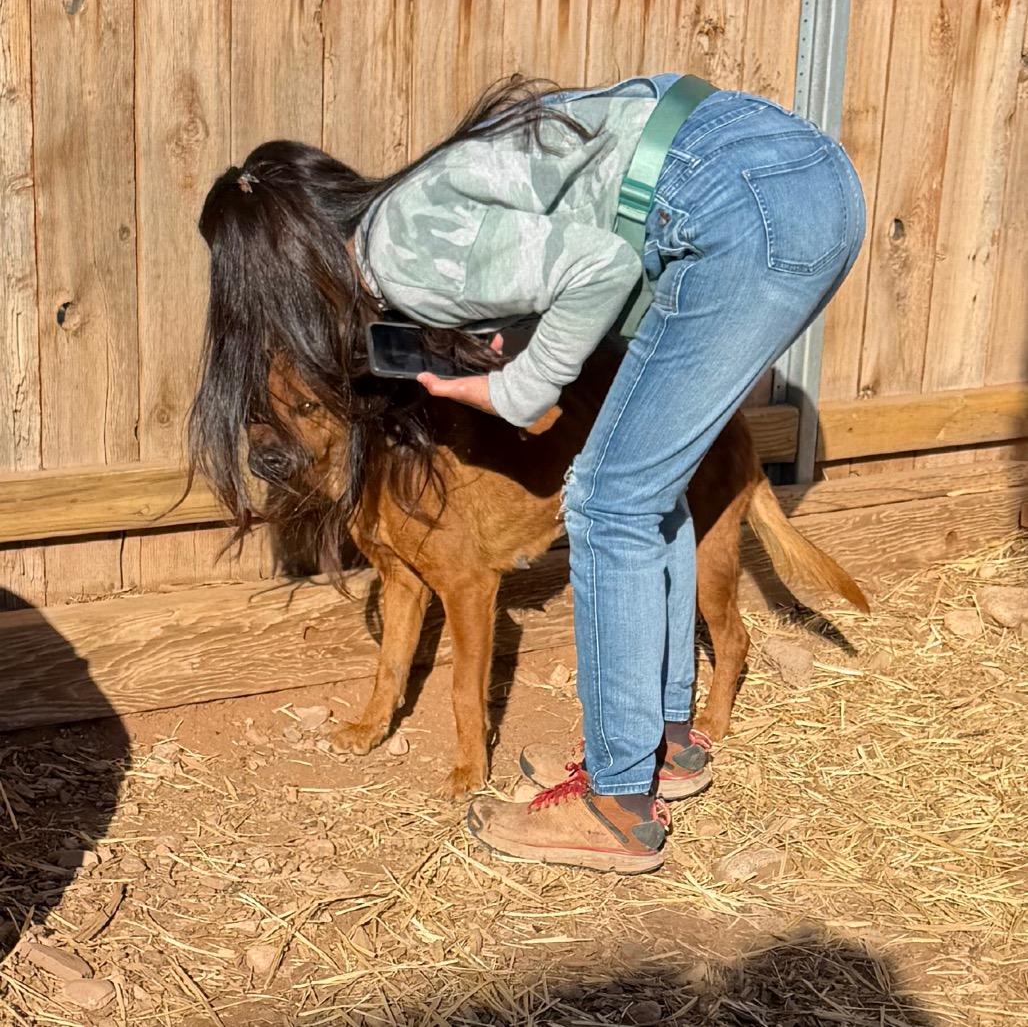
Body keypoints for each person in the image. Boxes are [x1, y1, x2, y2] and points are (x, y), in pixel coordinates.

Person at [193, 73, 864, 875]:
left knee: (609, 503)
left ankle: (614, 806)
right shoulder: (416, 208)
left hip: (736, 193)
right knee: (649, 485)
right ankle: (665, 748)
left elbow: (601, 270)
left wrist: (518, 389)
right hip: (783, 177)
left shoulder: (394, 247)